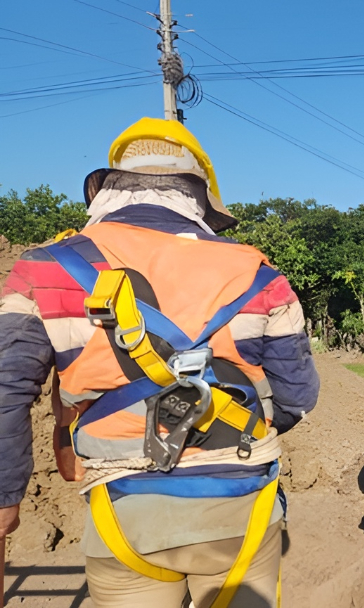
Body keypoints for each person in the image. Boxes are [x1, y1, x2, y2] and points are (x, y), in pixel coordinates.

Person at [0, 117, 320, 608]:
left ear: (109, 188)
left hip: (123, 510)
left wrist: (6, 499)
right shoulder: (262, 276)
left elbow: (7, 391)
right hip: (239, 509)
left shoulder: (43, 269)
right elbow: (298, 397)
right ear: (200, 196)